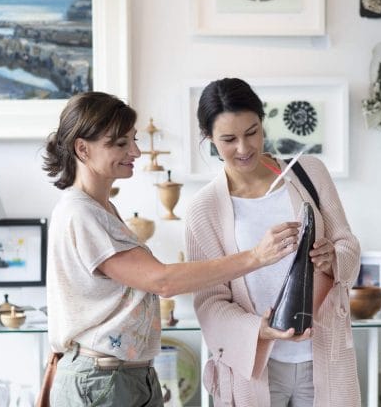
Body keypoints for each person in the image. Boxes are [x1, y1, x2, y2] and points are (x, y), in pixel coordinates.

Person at [42, 91, 299, 406]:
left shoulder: (101, 208)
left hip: (127, 375)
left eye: (133, 140)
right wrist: (256, 256)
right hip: (104, 379)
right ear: (82, 148)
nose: (135, 151)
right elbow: (161, 281)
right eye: (120, 143)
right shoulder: (80, 213)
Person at [185, 78, 361, 407]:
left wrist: (333, 258)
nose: (243, 147)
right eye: (228, 139)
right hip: (255, 368)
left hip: (322, 356)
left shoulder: (309, 173)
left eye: (252, 132)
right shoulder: (203, 209)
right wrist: (258, 330)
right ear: (210, 139)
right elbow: (210, 301)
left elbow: (347, 243)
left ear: (262, 122)